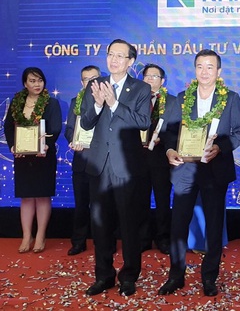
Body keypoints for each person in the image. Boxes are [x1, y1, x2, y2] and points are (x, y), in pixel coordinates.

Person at [158, 49, 240, 297]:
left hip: (215, 171)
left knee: (214, 226)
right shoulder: (182, 98)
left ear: (218, 71)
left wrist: (221, 147)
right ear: (195, 69)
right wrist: (169, 150)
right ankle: (176, 276)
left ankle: (209, 277)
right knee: (178, 225)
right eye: (200, 66)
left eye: (210, 67)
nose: (204, 72)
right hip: (185, 170)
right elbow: (168, 132)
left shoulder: (230, 98)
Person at [80, 39, 151, 297]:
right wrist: (99, 104)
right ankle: (104, 276)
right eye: (111, 54)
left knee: (129, 225)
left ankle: (129, 275)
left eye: (120, 56)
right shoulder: (95, 85)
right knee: (100, 225)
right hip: (99, 166)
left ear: (130, 61)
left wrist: (114, 104)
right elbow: (86, 123)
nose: (114, 60)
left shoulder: (141, 88)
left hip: (126, 167)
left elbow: (143, 122)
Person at [4, 67, 62, 254]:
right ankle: (26, 236)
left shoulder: (51, 103)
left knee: (42, 196)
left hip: (44, 156)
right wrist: (13, 146)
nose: (37, 84)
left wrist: (46, 145)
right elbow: (8, 127)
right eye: (32, 81)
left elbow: (55, 128)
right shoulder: (17, 102)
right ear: (25, 83)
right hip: (22, 157)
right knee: (27, 197)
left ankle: (40, 236)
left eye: (40, 80)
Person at [64, 65, 101, 256]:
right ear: (81, 82)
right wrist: (73, 140)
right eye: (87, 79)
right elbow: (69, 129)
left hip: (101, 163)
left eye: (94, 78)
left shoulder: (108, 100)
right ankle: (78, 242)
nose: (91, 82)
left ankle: (104, 242)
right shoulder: (75, 101)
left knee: (101, 206)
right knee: (81, 205)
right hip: (81, 161)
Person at [139, 63, 176, 254]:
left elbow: (176, 128)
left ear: (162, 81)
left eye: (154, 76)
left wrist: (164, 139)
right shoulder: (135, 99)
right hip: (139, 158)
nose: (150, 79)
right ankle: (143, 238)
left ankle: (163, 238)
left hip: (162, 158)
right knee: (141, 200)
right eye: (147, 76)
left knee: (162, 200)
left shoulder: (172, 101)